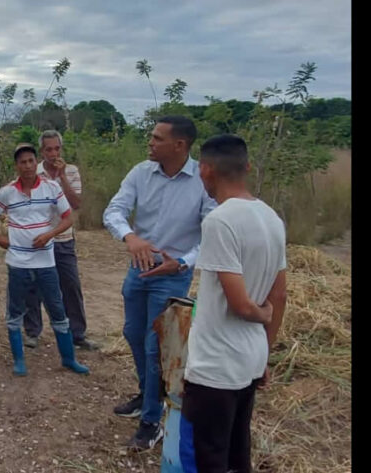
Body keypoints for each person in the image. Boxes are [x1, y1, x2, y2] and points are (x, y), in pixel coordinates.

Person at [102, 115, 217, 450]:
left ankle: (152, 422)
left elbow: (212, 232)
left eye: (157, 138)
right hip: (139, 268)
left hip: (173, 275)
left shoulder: (202, 181)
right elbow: (114, 211)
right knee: (132, 333)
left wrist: (181, 262)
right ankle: (147, 393)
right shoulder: (141, 172)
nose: (150, 142)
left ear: (179, 145)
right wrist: (130, 237)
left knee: (157, 348)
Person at [180, 135, 287, 473]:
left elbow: (240, 304)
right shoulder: (271, 218)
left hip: (216, 365)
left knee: (208, 457)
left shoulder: (219, 221)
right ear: (248, 167)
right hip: (250, 358)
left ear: (205, 170)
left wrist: (261, 313)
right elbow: (280, 295)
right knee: (238, 455)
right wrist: (264, 351)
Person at [0, 143, 89, 377]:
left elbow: (68, 218)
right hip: (18, 262)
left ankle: (69, 359)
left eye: (31, 161)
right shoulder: (8, 192)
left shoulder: (51, 187)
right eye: (23, 162)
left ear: (35, 162)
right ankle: (19, 360)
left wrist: (49, 234)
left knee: (57, 310)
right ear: (17, 166)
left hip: (46, 262)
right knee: (15, 312)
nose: (28, 166)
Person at [22, 130, 99, 351]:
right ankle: (32, 332)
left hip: (63, 238)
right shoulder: (32, 172)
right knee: (33, 287)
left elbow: (76, 203)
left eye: (57, 148)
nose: (54, 153)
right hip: (37, 239)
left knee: (71, 286)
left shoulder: (71, 171)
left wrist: (62, 176)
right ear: (41, 151)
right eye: (49, 149)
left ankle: (77, 334)